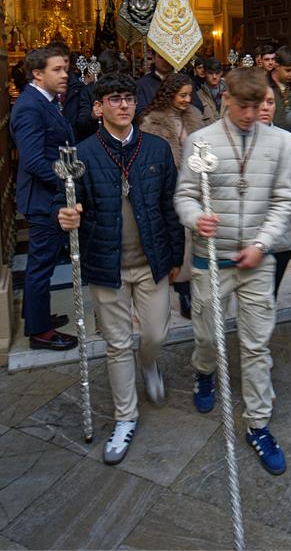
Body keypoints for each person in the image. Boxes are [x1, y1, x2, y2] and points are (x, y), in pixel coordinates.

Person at [57, 72, 185, 465]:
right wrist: (67, 217)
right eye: (114, 99)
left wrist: (176, 256)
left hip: (152, 262)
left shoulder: (157, 150)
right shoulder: (81, 155)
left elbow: (169, 206)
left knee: (155, 332)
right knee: (116, 345)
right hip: (106, 262)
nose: (124, 104)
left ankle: (149, 362)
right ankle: (125, 418)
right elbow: (69, 204)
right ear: (98, 108)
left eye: (128, 97)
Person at [175, 67, 291, 475]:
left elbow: (284, 200)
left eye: (256, 104)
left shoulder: (282, 143)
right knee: (208, 335)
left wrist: (262, 244)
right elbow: (185, 194)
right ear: (226, 98)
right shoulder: (200, 141)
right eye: (241, 105)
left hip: (257, 261)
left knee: (257, 345)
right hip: (212, 258)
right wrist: (196, 218)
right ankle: (204, 371)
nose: (249, 114)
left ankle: (258, 424)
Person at [10, 46, 78, 351]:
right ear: (38, 74)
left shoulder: (44, 102)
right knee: (41, 266)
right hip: (44, 199)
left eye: (65, 68)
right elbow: (34, 160)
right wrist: (69, 181)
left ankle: (37, 317)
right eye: (57, 70)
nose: (65, 74)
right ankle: (40, 333)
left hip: (48, 196)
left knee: (43, 264)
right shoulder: (29, 106)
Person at [139, 71, 203, 319]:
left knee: (190, 242)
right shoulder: (152, 121)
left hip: (193, 189)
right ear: (169, 94)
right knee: (174, 242)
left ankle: (188, 288)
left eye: (189, 95)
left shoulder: (195, 118)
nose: (187, 100)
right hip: (166, 190)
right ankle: (177, 289)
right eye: (182, 95)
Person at [257, 84, 291, 296]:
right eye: (259, 102)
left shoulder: (288, 141)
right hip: (248, 236)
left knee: (270, 296)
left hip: (281, 234)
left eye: (270, 102)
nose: (265, 107)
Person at [197, 57, 226, 126]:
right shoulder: (198, 96)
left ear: (221, 73)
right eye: (210, 73)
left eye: (217, 73)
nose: (214, 76)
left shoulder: (231, 92)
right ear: (205, 73)